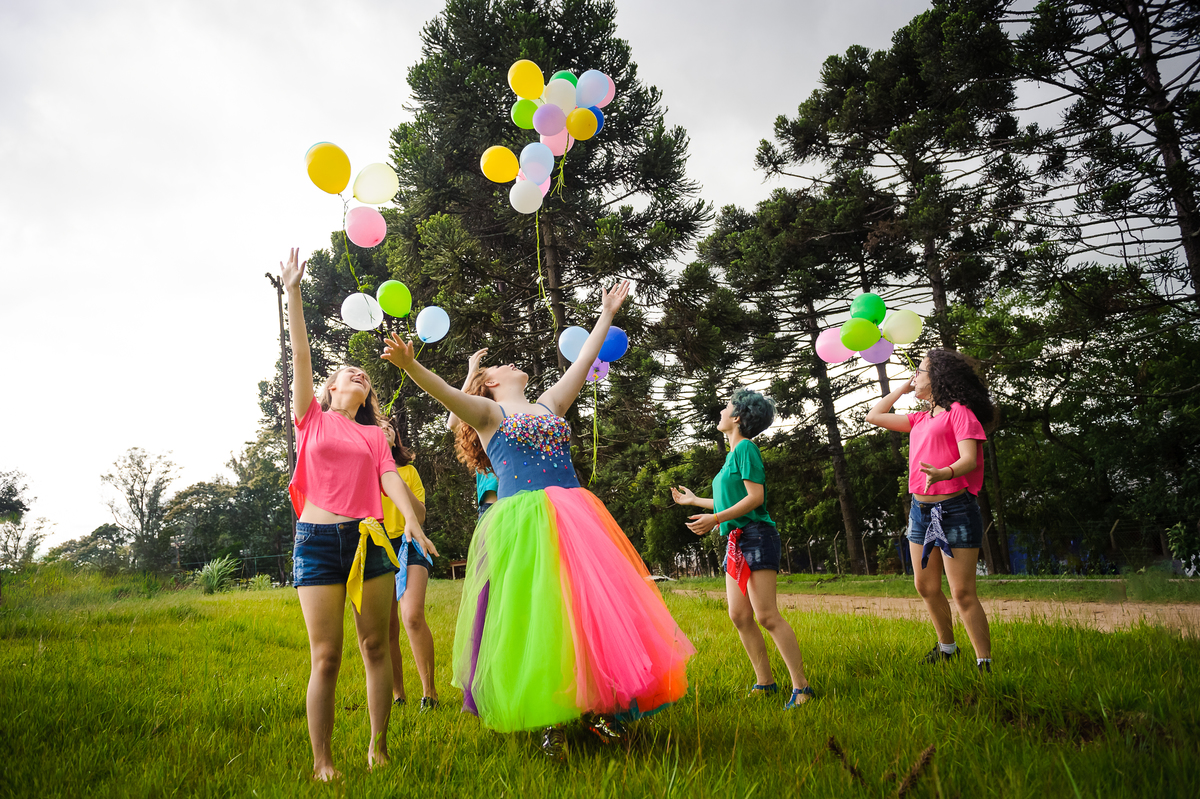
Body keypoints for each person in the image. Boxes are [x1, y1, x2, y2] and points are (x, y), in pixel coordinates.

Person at [381, 281, 694, 759]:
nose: (510, 364)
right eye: (500, 366)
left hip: (574, 516)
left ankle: (595, 710)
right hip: (522, 523)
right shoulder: (488, 411)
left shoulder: (549, 403)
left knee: (583, 610)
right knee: (537, 615)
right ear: (488, 382)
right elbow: (445, 394)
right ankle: (550, 718)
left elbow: (584, 361)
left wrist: (606, 313)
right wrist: (409, 365)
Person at [280, 248, 438, 780]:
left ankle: (378, 746)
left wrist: (412, 523)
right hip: (318, 542)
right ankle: (323, 762)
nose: (359, 375)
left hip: (371, 543)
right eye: (349, 371)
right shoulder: (312, 419)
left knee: (375, 645)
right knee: (326, 656)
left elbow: (390, 479)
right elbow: (301, 357)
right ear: (329, 387)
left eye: (365, 375)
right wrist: (294, 293)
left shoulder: (374, 435)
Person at [671, 389, 814, 708]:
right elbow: (732, 499)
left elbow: (755, 499)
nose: (721, 411)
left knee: (766, 615)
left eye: (726, 406)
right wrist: (695, 501)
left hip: (756, 535)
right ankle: (765, 683)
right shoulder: (731, 455)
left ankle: (802, 688)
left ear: (737, 417)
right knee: (739, 614)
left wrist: (716, 518)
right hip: (737, 539)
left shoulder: (746, 448)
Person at [865, 348, 995, 673]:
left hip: (955, 510)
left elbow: (969, 459)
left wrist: (944, 473)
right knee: (925, 586)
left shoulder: (959, 413)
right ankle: (947, 648)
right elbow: (874, 416)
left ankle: (984, 662)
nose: (916, 375)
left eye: (921, 371)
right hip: (920, 513)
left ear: (938, 378)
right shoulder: (920, 418)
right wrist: (903, 389)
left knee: (963, 591)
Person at [379, 419, 438, 712]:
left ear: (395, 437)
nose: (384, 427)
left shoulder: (409, 471)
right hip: (377, 546)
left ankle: (430, 694)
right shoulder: (363, 471)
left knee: (412, 616)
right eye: (377, 424)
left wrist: (395, 478)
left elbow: (421, 515)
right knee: (387, 627)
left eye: (389, 426)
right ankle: (398, 696)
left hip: (410, 543)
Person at [447, 349, 499, 519]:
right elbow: (453, 423)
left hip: (526, 502)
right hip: (493, 507)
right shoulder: (482, 421)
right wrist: (471, 375)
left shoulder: (516, 415)